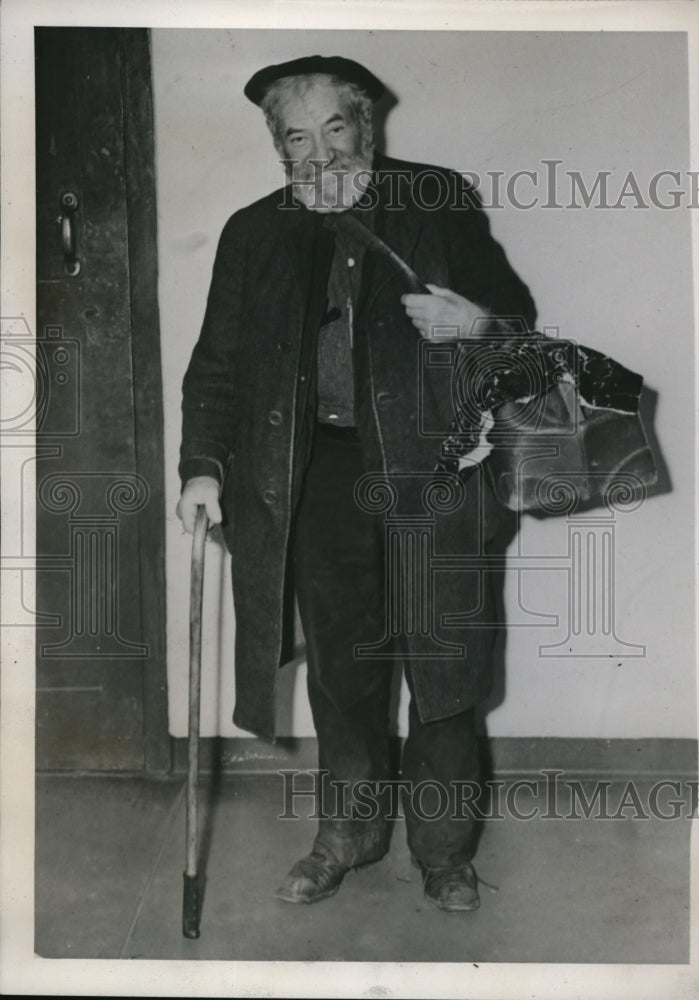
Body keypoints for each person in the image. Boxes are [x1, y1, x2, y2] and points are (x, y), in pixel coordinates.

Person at [177, 55, 536, 912]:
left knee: (446, 673)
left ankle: (445, 853)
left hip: (434, 470)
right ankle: (348, 834)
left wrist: (471, 323)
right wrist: (201, 467)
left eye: (333, 128)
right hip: (318, 478)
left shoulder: (435, 200)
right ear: (278, 147)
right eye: (294, 137)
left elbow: (517, 325)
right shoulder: (253, 231)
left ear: (364, 127)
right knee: (343, 672)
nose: (318, 152)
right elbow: (216, 368)